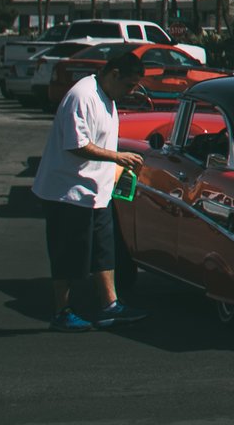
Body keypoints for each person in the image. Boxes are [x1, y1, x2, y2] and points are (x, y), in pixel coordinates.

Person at [32, 47, 149, 332]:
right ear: (114, 74)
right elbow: (77, 144)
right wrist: (117, 157)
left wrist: (117, 170)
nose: (131, 92)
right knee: (68, 255)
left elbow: (102, 141)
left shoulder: (107, 96)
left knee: (103, 252)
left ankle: (110, 305)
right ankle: (62, 311)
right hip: (67, 193)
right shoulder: (82, 96)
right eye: (129, 85)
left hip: (96, 193)